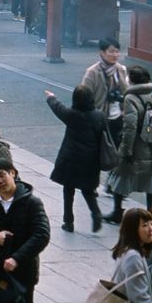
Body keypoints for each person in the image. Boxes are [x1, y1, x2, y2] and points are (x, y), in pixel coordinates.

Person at [0, 160, 51, 303]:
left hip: (22, 272)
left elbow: (42, 234)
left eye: (2, 175)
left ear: (12, 173)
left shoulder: (32, 203)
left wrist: (17, 258)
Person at [105, 65, 152, 222]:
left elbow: (130, 127)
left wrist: (126, 150)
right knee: (150, 179)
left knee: (121, 177)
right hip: (151, 144)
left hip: (136, 145)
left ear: (131, 80)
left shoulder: (130, 98)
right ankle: (150, 212)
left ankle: (117, 212)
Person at [45, 85, 105, 232]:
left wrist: (51, 97)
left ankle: (68, 222)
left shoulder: (72, 115)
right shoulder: (99, 116)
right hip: (91, 159)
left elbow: (58, 108)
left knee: (68, 189)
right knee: (88, 190)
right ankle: (96, 213)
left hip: (71, 157)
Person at [106, 208, 152, 303]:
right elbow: (139, 297)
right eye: (145, 225)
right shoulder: (133, 256)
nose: (151, 228)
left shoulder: (129, 250)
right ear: (133, 230)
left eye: (151, 223)